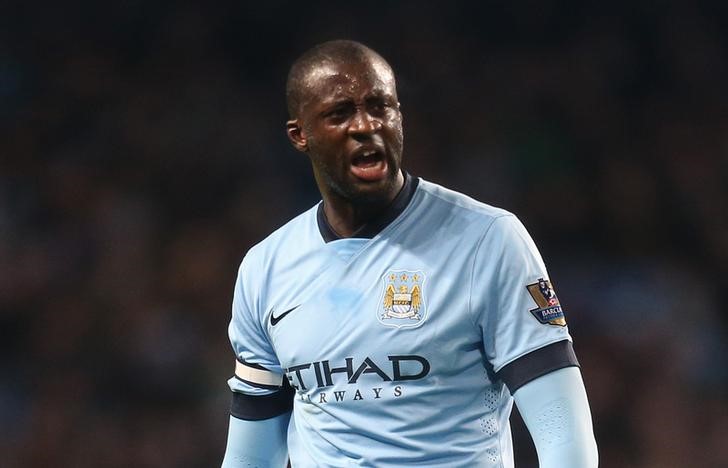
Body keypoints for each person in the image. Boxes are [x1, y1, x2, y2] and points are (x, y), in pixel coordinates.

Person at [221, 40, 598, 467]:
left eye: (380, 106)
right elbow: (250, 458)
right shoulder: (265, 269)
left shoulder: (487, 241)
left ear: (399, 116)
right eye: (340, 113)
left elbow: (566, 438)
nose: (366, 125)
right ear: (300, 135)